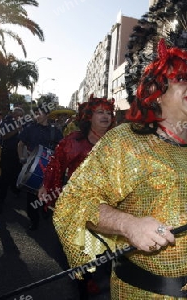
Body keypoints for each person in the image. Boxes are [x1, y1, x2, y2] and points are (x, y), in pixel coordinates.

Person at [53, 39, 187, 299]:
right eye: (182, 79)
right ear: (155, 88)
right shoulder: (125, 140)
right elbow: (74, 201)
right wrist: (127, 224)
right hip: (145, 293)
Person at [38, 96, 115, 299]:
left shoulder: (118, 142)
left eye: (108, 112)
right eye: (100, 112)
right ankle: (84, 286)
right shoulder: (72, 141)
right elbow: (55, 165)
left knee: (108, 256)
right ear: (89, 117)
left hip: (110, 207)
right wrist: (46, 186)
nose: (106, 116)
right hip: (78, 207)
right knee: (80, 256)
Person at [17, 105, 63, 231]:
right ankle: (34, 220)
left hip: (50, 169)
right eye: (35, 113)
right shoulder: (29, 128)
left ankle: (45, 211)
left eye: (39, 113)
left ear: (47, 115)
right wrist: (22, 158)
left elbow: (62, 149)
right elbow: (20, 144)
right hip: (33, 167)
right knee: (31, 197)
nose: (36, 116)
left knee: (47, 194)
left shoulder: (55, 131)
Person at [0, 107, 24, 203]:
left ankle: (15, 190)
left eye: (21, 115)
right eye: (17, 115)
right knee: (5, 174)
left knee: (17, 173)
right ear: (13, 114)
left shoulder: (25, 123)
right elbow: (3, 136)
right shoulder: (7, 122)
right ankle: (1, 197)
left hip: (19, 153)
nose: (19, 117)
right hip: (8, 152)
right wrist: (17, 129)